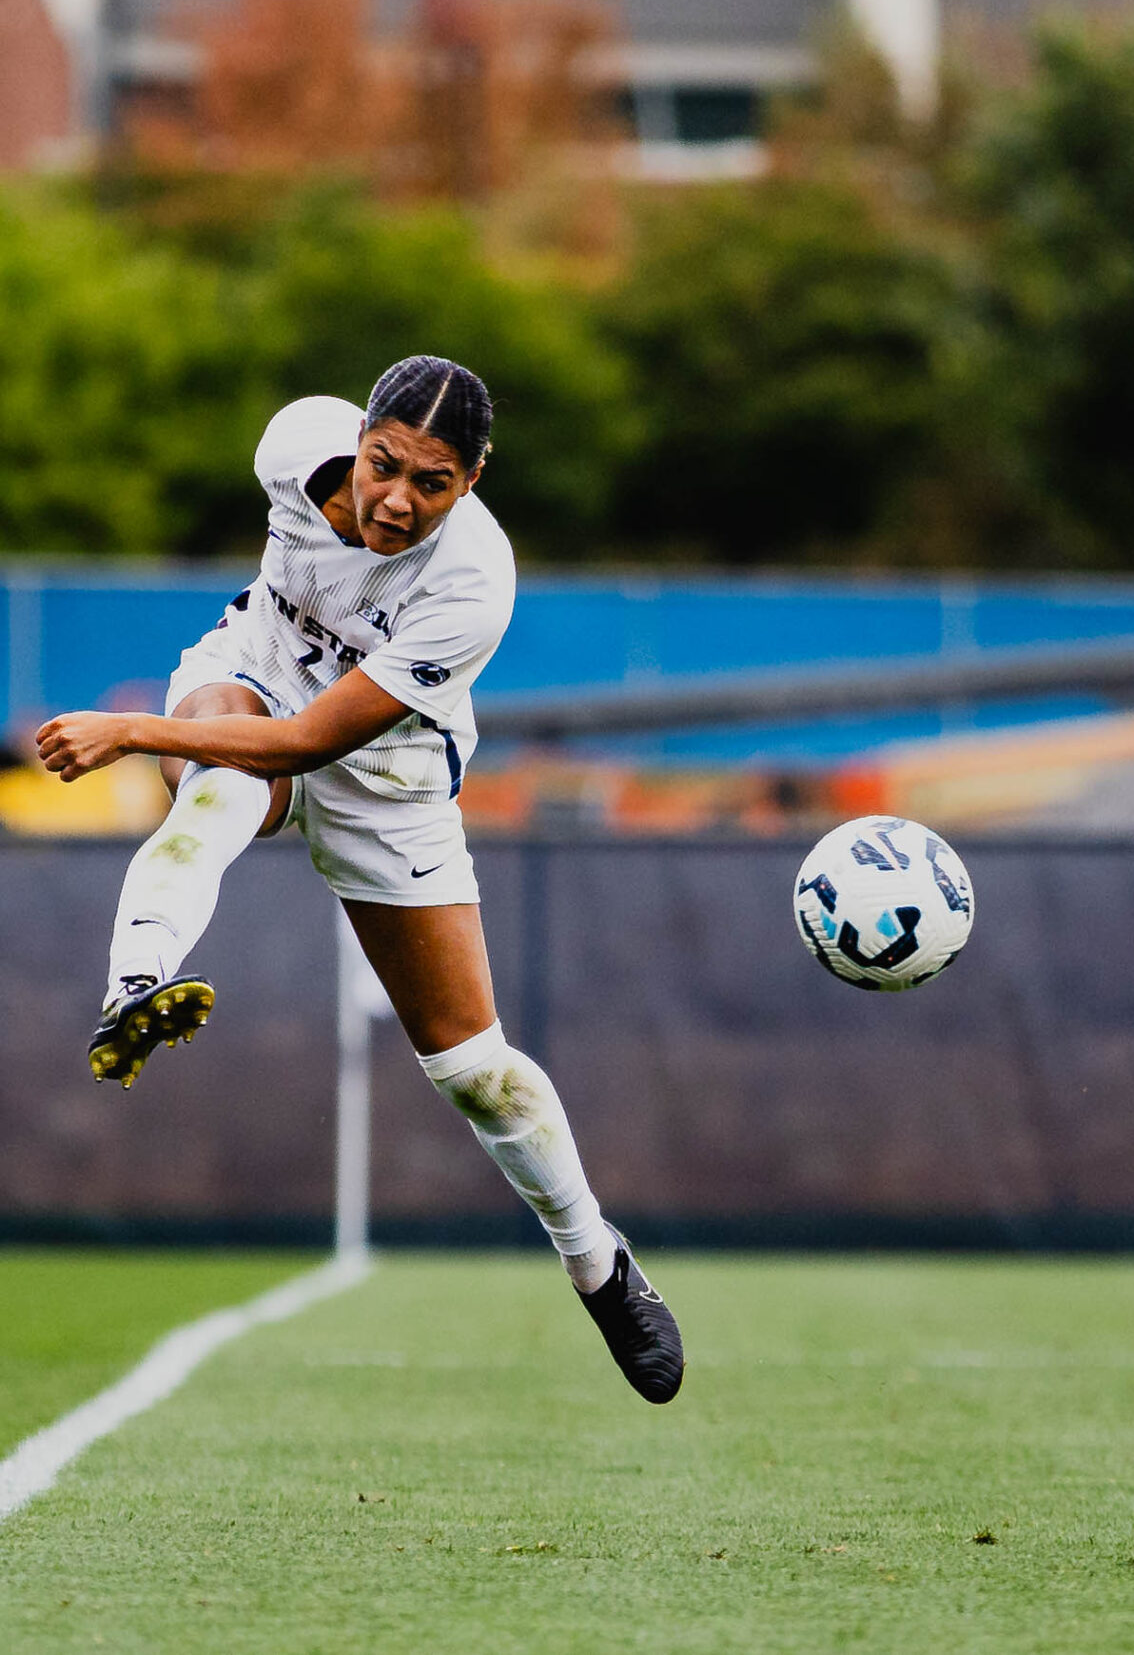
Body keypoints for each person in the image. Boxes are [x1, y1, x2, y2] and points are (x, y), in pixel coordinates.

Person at [35, 356, 684, 1406]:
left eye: (432, 483)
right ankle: (134, 985)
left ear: (472, 481)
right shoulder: (292, 445)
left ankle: (597, 1265)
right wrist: (174, 726)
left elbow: (306, 745)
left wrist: (123, 729)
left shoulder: (474, 581)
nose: (396, 499)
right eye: (385, 465)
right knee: (216, 777)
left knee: (479, 1073)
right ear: (358, 437)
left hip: (385, 774)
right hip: (248, 681)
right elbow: (265, 730)